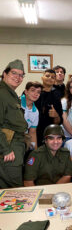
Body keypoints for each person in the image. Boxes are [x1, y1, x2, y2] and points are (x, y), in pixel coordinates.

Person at [0, 60, 27, 188]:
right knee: (14, 192)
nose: (18, 77)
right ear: (4, 73)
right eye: (14, 73)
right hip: (8, 149)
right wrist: (6, 149)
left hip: (13, 146)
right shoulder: (2, 93)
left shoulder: (11, 94)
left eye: (21, 75)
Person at [35, 69, 63, 146]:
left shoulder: (57, 95)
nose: (50, 78)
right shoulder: (34, 91)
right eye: (47, 76)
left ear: (54, 80)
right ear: (42, 77)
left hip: (49, 134)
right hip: (32, 132)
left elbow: (59, 121)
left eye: (53, 77)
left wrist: (56, 115)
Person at [21, 81, 43, 150]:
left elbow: (32, 132)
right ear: (26, 91)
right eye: (33, 90)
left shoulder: (35, 111)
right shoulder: (16, 102)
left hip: (22, 142)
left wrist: (34, 152)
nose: (36, 94)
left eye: (38, 92)